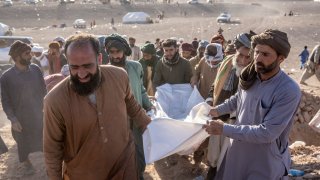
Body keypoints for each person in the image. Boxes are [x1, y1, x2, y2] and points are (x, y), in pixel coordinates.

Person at [43, 33, 151, 180]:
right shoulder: (55, 100)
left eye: (87, 66)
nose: (81, 74)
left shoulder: (119, 76)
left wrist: (150, 126)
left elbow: (131, 104)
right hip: (84, 173)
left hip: (125, 165)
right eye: (74, 67)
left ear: (99, 59)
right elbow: (52, 149)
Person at [204, 29, 301, 180]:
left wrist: (224, 128)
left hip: (264, 160)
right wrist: (215, 110)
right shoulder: (250, 77)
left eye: (265, 54)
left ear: (281, 58)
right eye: (256, 52)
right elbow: (239, 99)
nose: (257, 58)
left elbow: (267, 133)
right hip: (236, 153)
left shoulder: (288, 90)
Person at [205, 32, 255, 179]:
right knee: (213, 156)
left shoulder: (253, 74)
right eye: (240, 55)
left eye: (248, 57)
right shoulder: (227, 63)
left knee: (228, 160)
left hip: (236, 124)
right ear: (236, 51)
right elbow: (215, 85)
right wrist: (209, 101)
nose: (243, 60)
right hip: (218, 118)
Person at [104, 34, 154, 180]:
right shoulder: (104, 72)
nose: (115, 56)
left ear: (125, 51)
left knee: (139, 153)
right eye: (112, 52)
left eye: (118, 52)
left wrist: (149, 106)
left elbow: (141, 89)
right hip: (116, 123)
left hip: (136, 119)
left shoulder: (136, 66)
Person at [1, 40, 46, 176]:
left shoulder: (36, 70)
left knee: (45, 140)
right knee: (23, 144)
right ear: (17, 56)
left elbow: (44, 91)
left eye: (30, 53)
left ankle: (49, 166)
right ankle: (27, 165)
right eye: (27, 53)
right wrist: (13, 119)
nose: (30, 56)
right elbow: (6, 101)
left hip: (39, 114)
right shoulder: (6, 77)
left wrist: (48, 109)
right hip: (21, 118)